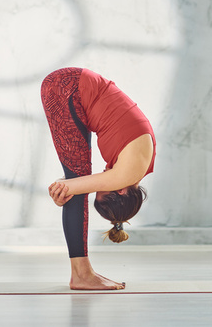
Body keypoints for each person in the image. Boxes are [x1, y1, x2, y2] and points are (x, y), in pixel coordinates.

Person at [41, 67, 156, 290]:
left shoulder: (138, 165)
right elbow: (70, 186)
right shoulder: (125, 175)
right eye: (101, 189)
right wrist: (62, 191)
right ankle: (81, 274)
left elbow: (69, 184)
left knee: (76, 181)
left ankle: (82, 273)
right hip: (67, 88)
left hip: (72, 88)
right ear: (120, 191)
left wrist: (64, 188)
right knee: (76, 184)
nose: (100, 182)